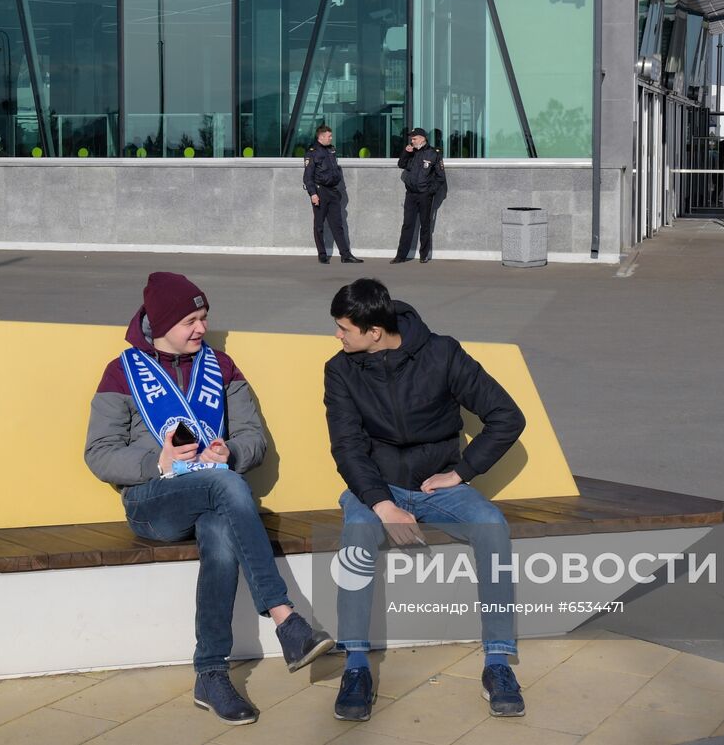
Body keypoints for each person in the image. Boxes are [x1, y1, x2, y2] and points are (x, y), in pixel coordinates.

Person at [85, 272, 334, 725]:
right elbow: (98, 454)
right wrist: (156, 462)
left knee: (221, 528)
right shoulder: (122, 372)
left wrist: (231, 451)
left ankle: (211, 673)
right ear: (161, 324)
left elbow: (252, 438)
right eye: (191, 321)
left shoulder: (222, 367)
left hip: (217, 494)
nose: (202, 329)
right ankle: (285, 619)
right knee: (229, 487)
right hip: (153, 503)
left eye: (204, 318)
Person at [323, 279, 527, 721]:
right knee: (357, 531)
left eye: (343, 328)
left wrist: (463, 471)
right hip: (375, 486)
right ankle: (356, 666)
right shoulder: (340, 369)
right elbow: (347, 447)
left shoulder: (442, 353)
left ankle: (497, 663)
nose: (337, 336)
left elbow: (507, 416)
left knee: (491, 525)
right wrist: (382, 504)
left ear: (373, 331)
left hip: (437, 488)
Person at [303, 126, 363, 265]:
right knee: (319, 225)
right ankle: (322, 254)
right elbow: (307, 177)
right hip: (320, 191)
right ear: (321, 137)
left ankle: (346, 255)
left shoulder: (331, 150)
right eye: (329, 136)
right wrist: (313, 194)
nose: (331, 138)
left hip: (333, 191)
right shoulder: (312, 153)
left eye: (331, 136)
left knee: (338, 224)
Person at [393, 128, 447, 263]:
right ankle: (400, 256)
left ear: (422, 138)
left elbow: (440, 177)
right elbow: (401, 164)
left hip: (424, 195)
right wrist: (406, 152)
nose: (412, 141)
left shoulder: (433, 153)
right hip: (411, 194)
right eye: (411, 139)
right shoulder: (411, 152)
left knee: (425, 225)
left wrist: (430, 191)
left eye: (414, 138)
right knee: (407, 225)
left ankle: (424, 255)